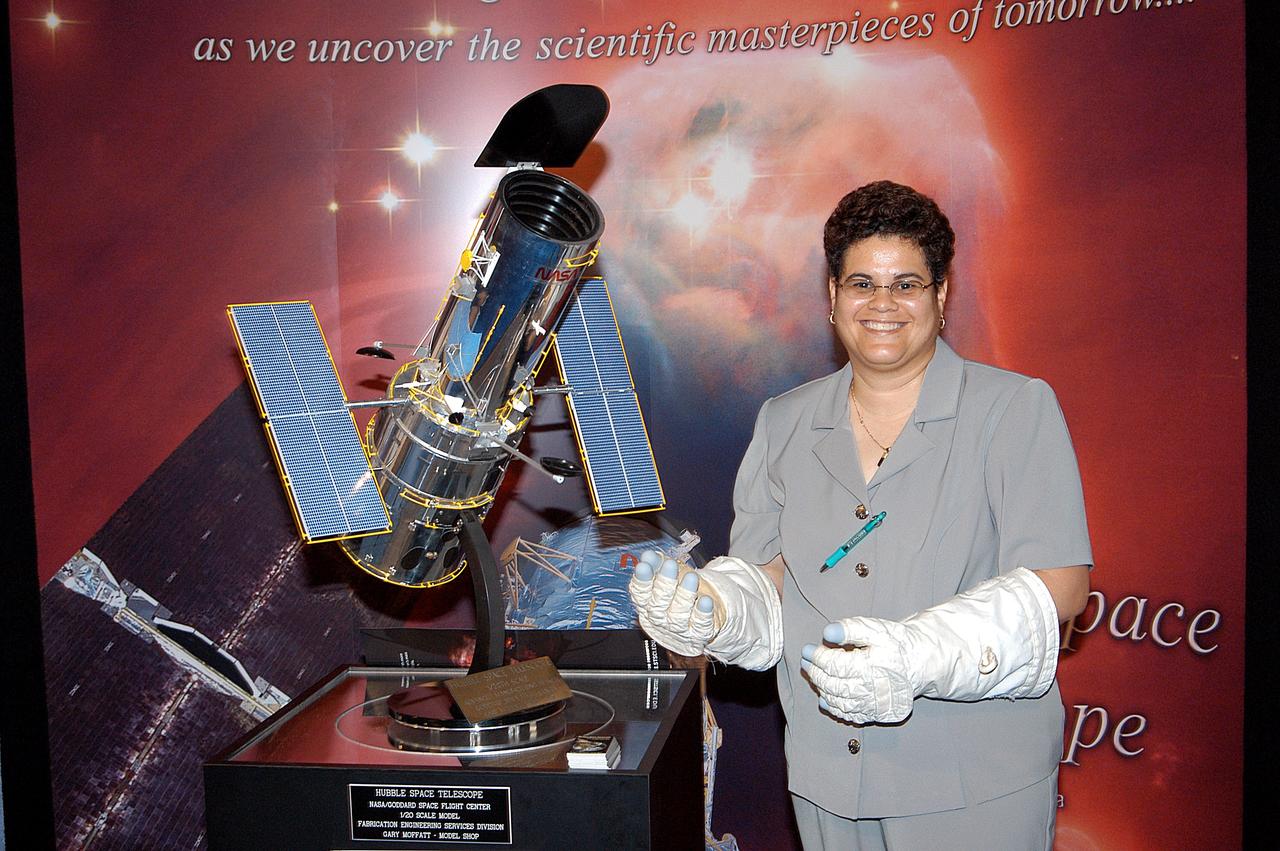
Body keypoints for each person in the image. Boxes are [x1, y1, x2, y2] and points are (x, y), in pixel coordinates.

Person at [629, 180, 1092, 849]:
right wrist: (718, 610)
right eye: (861, 283)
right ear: (832, 297)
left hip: (973, 785)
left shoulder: (1012, 409)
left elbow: (1063, 585)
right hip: (826, 781)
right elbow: (773, 573)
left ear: (941, 295)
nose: (882, 304)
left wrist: (917, 654)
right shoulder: (785, 420)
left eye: (906, 283)